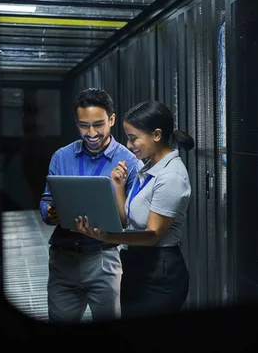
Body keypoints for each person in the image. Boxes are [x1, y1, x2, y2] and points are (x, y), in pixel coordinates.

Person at [75, 100, 194, 319]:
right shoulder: (147, 168)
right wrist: (119, 189)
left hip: (159, 273)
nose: (129, 145)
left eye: (133, 137)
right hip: (138, 266)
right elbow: (127, 222)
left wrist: (107, 237)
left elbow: (152, 235)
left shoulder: (171, 177)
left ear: (157, 135)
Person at [39, 87, 142, 323]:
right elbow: (46, 200)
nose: (92, 133)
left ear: (112, 120)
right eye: (84, 126)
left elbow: (132, 219)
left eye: (98, 124)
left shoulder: (129, 162)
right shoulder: (61, 157)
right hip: (63, 260)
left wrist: (118, 189)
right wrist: (50, 212)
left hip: (103, 261)